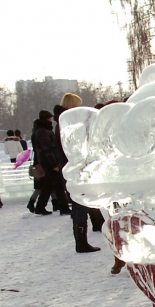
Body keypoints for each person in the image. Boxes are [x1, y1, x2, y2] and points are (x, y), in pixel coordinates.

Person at [53, 93, 101, 252]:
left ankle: (88, 232)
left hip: (73, 166)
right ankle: (81, 241)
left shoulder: (63, 122)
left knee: (83, 201)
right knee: (80, 203)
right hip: (76, 167)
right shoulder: (68, 123)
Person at [31, 112, 69, 216]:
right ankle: (64, 207)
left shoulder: (41, 130)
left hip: (47, 162)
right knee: (59, 185)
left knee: (48, 186)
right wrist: (54, 164)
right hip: (49, 163)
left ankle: (40, 207)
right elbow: (47, 149)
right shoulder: (43, 132)